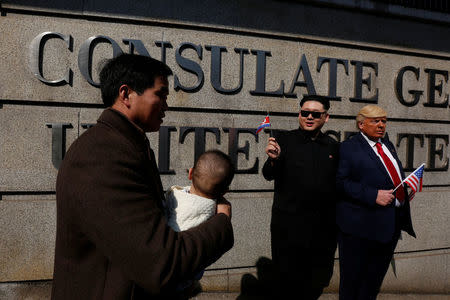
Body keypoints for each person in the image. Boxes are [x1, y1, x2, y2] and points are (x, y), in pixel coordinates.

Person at [51, 54, 233, 300]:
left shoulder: (126, 145)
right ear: (126, 94)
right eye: (160, 94)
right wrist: (221, 222)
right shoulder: (101, 155)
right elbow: (161, 263)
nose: (166, 105)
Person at [262, 95, 339, 299]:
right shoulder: (283, 140)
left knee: (316, 282)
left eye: (316, 114)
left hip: (322, 231)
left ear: (326, 117)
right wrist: (274, 160)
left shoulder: (333, 146)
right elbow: (268, 174)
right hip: (288, 228)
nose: (309, 117)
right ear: (299, 114)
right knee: (287, 283)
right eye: (305, 113)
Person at [336, 104, 416, 300]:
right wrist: (373, 195)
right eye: (375, 121)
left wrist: (404, 190)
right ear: (361, 124)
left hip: (389, 227)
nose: (381, 125)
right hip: (359, 229)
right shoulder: (348, 148)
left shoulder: (386, 144)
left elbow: (388, 175)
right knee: (352, 286)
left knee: (372, 285)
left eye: (384, 121)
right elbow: (340, 183)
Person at [164, 149, 235, 297]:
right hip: (180, 285)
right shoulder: (212, 215)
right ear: (225, 191)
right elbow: (210, 252)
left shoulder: (174, 195)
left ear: (190, 173)